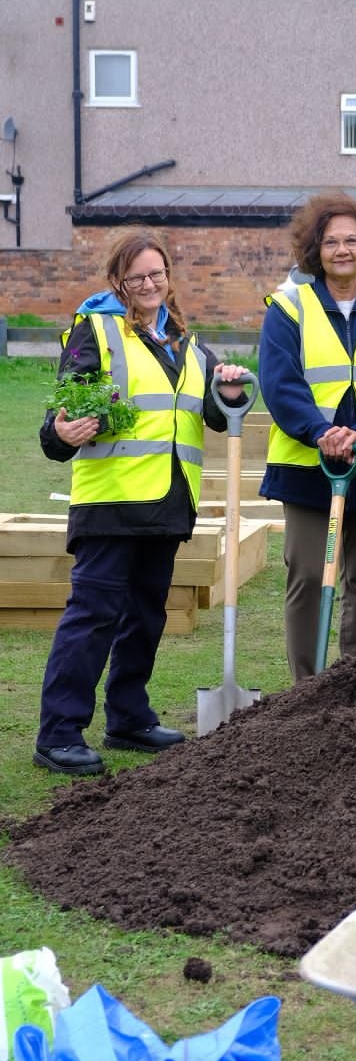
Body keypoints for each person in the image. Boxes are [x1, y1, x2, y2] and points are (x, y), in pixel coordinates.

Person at [35, 230, 251, 775]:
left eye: (157, 275)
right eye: (137, 278)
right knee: (93, 617)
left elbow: (215, 411)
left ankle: (128, 716)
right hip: (111, 504)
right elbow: (59, 423)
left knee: (146, 617)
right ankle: (58, 734)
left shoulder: (189, 343)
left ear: (169, 278)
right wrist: (64, 432)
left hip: (169, 502)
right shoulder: (97, 332)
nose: (149, 285)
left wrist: (228, 388)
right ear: (119, 282)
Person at [259, 191, 356, 680]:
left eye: (352, 240)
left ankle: (354, 679)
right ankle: (307, 685)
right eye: (331, 242)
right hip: (309, 465)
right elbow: (280, 384)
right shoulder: (288, 310)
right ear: (316, 250)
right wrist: (321, 432)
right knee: (307, 575)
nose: (343, 250)